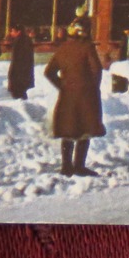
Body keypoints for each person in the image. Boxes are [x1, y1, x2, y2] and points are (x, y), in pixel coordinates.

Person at [44, 22, 105, 177]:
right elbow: (96, 70)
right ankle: (79, 166)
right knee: (84, 129)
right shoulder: (87, 47)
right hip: (85, 96)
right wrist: (92, 87)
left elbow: (49, 72)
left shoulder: (62, 48)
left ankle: (66, 166)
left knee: (68, 129)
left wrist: (62, 85)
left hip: (67, 96)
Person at [7, 23, 36, 100]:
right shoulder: (27, 40)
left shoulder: (18, 41)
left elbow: (16, 60)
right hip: (25, 74)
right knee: (22, 94)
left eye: (12, 31)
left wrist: (11, 74)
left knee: (18, 95)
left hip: (18, 74)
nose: (11, 33)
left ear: (18, 32)